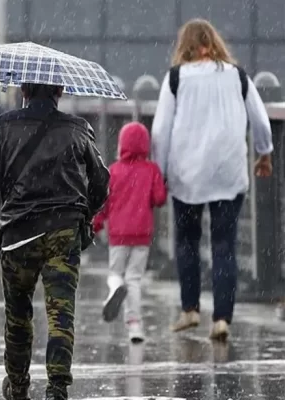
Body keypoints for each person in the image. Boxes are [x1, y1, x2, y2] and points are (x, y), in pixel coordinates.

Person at [0, 83, 109, 400]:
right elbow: (101, 181)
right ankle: (57, 386)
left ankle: (18, 384)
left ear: (23, 88)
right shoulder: (78, 129)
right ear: (60, 91)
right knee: (61, 312)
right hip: (63, 230)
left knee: (18, 313)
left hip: (17, 234)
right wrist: (83, 213)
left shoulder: (3, 125)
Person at [151, 18, 273, 342]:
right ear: (213, 42)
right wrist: (265, 152)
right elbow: (260, 118)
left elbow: (161, 130)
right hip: (228, 172)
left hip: (186, 173)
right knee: (224, 246)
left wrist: (158, 170)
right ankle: (222, 319)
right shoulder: (237, 76)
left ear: (186, 46)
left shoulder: (175, 78)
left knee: (187, 242)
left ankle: (190, 309)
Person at [92, 122, 168, 343]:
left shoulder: (113, 171)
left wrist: (96, 225)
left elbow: (103, 204)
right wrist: (163, 183)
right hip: (142, 234)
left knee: (116, 273)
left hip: (118, 235)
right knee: (134, 278)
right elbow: (159, 199)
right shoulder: (151, 169)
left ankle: (116, 287)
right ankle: (135, 326)